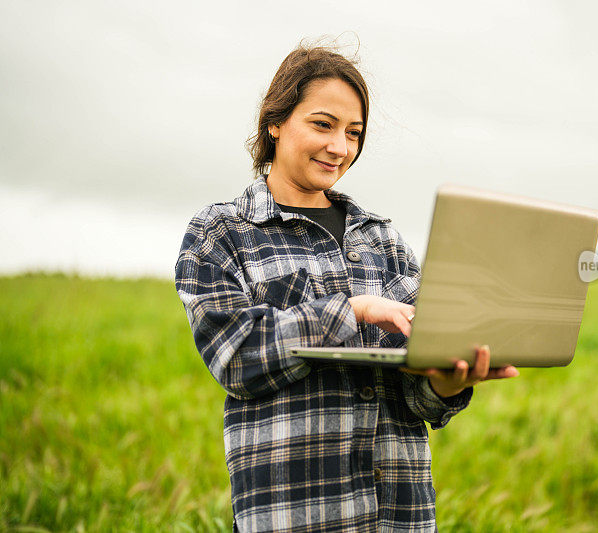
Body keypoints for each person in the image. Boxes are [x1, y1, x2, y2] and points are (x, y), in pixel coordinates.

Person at [174, 43, 519, 532]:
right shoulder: (220, 233)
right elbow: (235, 357)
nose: (340, 146)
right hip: (292, 518)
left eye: (353, 133)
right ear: (275, 122)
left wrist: (447, 382)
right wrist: (351, 311)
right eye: (322, 124)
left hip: (397, 514)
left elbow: (416, 396)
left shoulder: (383, 239)